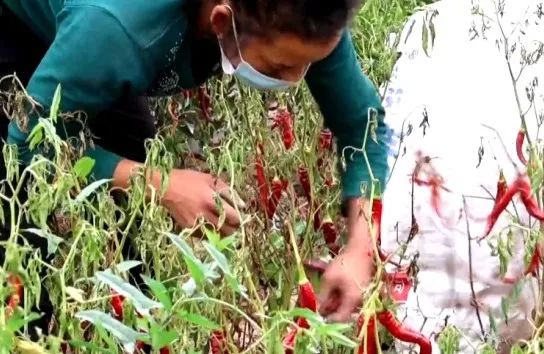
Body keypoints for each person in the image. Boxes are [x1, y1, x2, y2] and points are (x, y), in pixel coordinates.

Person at [0, 0, 385, 334]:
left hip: (91, 38)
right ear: (221, 21)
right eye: (282, 65)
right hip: (16, 25)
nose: (297, 80)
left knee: (128, 176)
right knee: (20, 216)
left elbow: (362, 125)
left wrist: (360, 249)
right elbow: (24, 147)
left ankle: (133, 328)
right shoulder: (119, 28)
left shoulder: (298, 12)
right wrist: (157, 184)